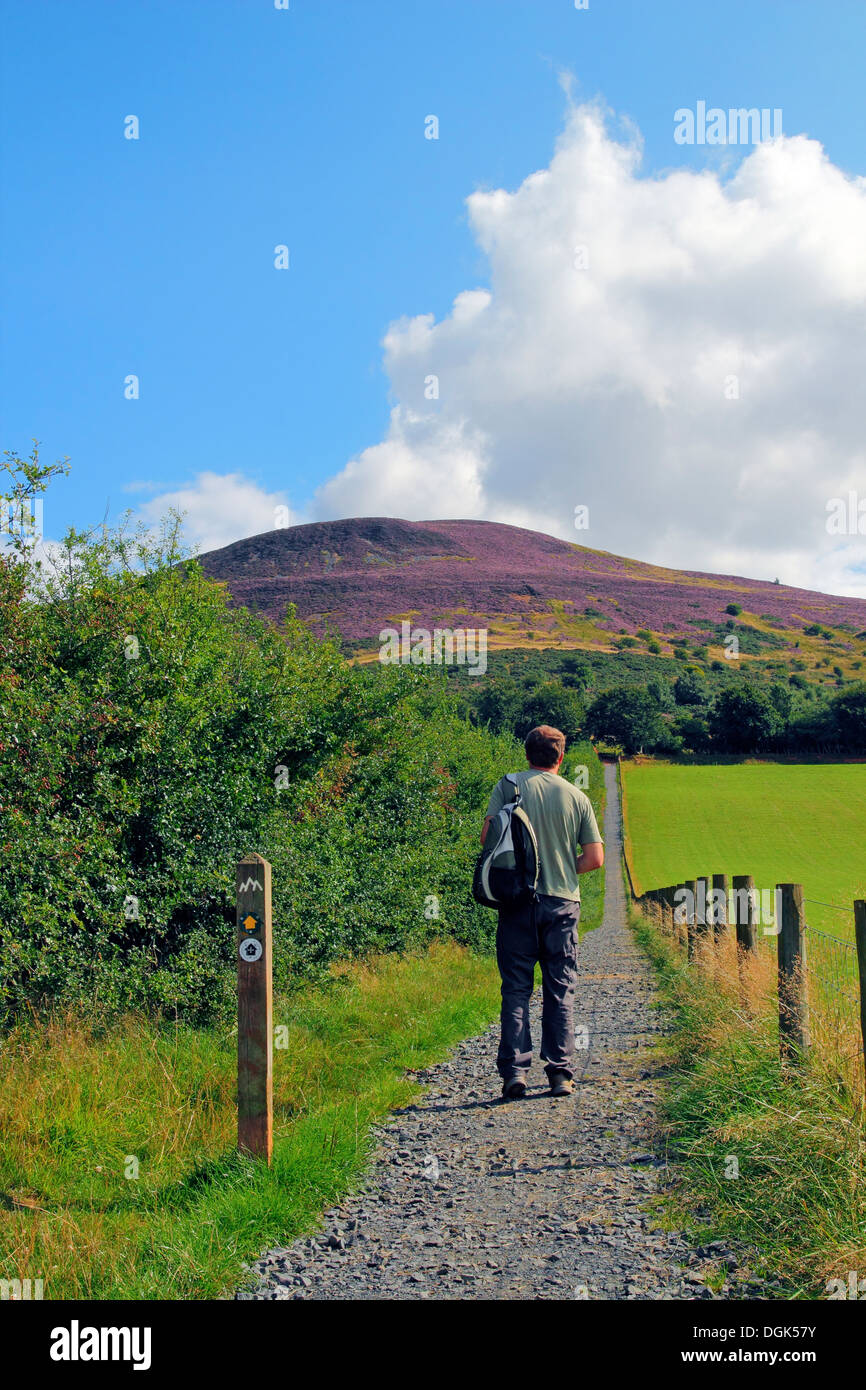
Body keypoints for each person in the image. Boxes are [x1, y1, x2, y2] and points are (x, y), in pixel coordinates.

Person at [481, 725, 604, 1100]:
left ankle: (515, 1074)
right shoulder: (576, 795)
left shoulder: (509, 785)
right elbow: (595, 858)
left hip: (517, 902)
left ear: (527, 754)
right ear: (561, 757)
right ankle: (560, 1075)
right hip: (562, 902)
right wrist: (565, 867)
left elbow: (487, 839)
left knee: (516, 988)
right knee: (559, 988)